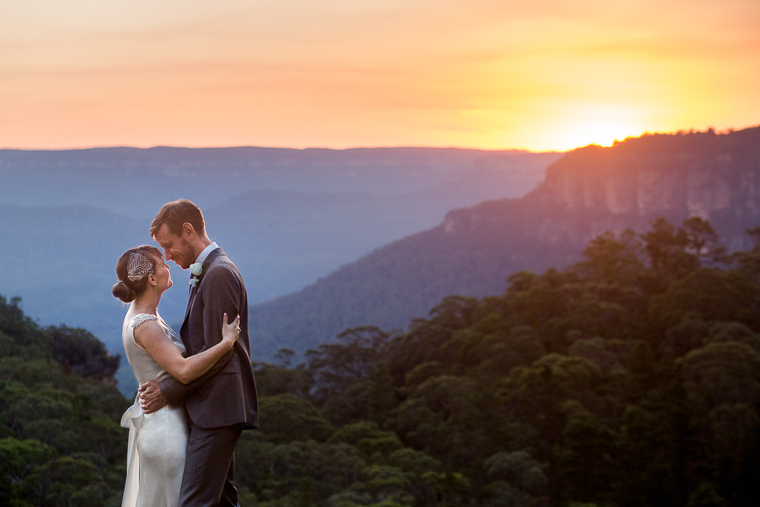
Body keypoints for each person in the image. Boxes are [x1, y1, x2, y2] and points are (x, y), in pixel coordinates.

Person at [139, 199, 259, 507]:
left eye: (169, 245)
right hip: (215, 407)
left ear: (188, 231)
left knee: (194, 502)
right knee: (221, 501)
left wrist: (168, 390)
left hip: (217, 408)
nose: (167, 256)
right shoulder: (211, 270)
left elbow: (219, 352)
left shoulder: (218, 274)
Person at [113, 245, 241, 507]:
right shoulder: (145, 324)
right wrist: (224, 344)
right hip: (167, 431)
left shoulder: (143, 315)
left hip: (162, 424)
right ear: (151, 279)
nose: (168, 266)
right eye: (162, 264)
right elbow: (182, 370)